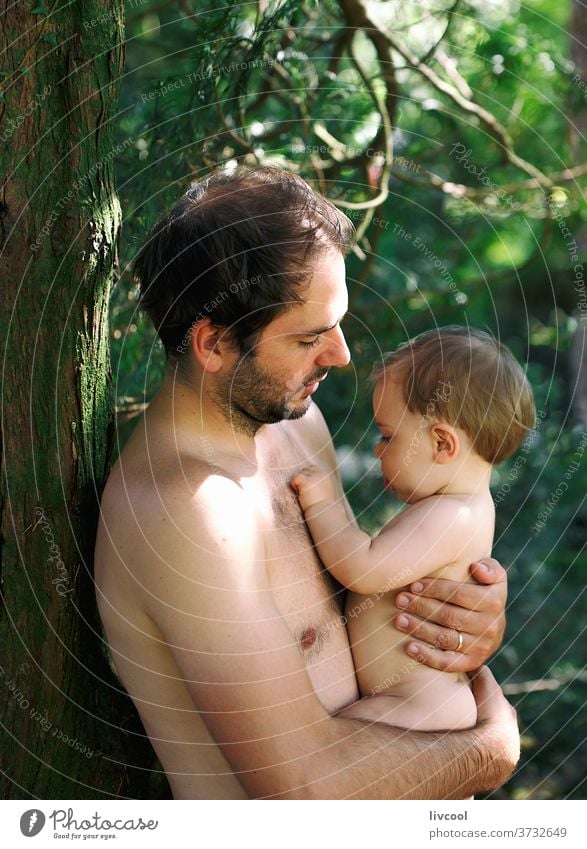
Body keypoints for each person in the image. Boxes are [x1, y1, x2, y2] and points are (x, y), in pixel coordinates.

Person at [94, 166, 519, 800]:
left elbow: (351, 615)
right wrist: (487, 751)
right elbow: (303, 790)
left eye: (337, 324)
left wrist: (458, 614)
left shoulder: (296, 425)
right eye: (309, 336)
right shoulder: (187, 512)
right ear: (212, 344)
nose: (342, 355)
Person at [291, 327, 536, 734]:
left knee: (319, 743)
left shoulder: (453, 515)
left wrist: (323, 502)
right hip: (412, 701)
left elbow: (364, 569)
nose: (377, 450)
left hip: (419, 705)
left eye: (388, 436)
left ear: (442, 444)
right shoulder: (459, 507)